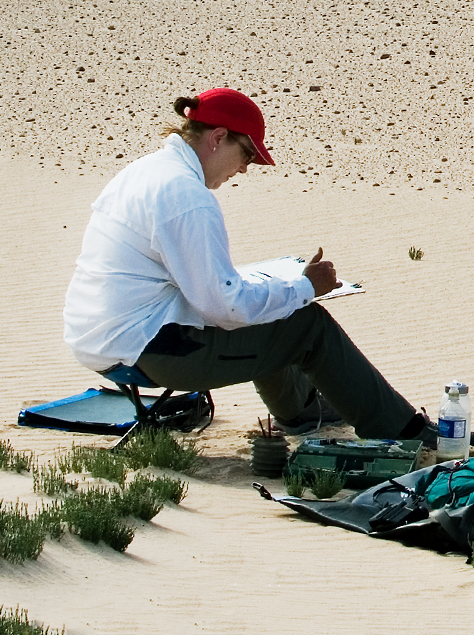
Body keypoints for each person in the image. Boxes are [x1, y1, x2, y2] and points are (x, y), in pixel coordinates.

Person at [63, 87, 436, 442]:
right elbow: (227, 308)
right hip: (146, 349)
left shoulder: (145, 171)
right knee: (308, 324)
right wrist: (306, 288)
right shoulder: (186, 196)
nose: (244, 169)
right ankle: (401, 431)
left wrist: (281, 294)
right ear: (218, 137)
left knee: (274, 307)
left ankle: (302, 412)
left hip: (99, 338)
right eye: (247, 155)